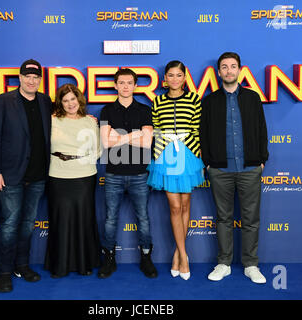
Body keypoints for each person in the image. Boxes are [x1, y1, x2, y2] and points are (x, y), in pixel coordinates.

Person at [200, 52, 269, 284]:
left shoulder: (252, 98)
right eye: (224, 67)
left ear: (240, 69)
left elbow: (262, 130)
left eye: (233, 66)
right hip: (220, 170)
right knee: (223, 219)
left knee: (251, 219)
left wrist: (261, 160)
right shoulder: (209, 101)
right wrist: (209, 163)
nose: (229, 71)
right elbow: (204, 135)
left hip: (250, 168)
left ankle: (251, 265)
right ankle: (224, 263)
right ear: (218, 72)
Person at [0, 59, 52, 293]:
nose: (32, 81)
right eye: (28, 76)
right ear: (20, 78)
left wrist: (88, 120)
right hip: (10, 174)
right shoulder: (2, 102)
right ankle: (4, 272)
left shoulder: (45, 101)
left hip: (38, 175)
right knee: (9, 225)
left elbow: (63, 120)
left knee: (27, 225)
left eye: (36, 77)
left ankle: (21, 266)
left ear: (40, 80)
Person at [147, 61, 205, 280]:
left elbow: (197, 129)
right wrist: (162, 148)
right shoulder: (158, 101)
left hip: (188, 154)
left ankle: (178, 255)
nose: (174, 79)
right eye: (170, 75)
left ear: (184, 77)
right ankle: (183, 254)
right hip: (166, 155)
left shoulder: (194, 99)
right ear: (165, 78)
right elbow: (155, 129)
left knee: (185, 205)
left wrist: (195, 152)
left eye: (178, 75)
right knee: (174, 206)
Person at [98, 68, 157, 279]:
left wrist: (119, 136)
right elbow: (106, 143)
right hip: (113, 173)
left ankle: (146, 258)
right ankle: (109, 259)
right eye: (121, 82)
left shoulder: (144, 110)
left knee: (143, 218)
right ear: (115, 85)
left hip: (139, 173)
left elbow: (147, 142)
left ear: (135, 85)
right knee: (110, 219)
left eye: (129, 82)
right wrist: (135, 134)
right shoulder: (106, 111)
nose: (125, 86)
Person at [44, 83, 101, 278]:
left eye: (73, 99)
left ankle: (83, 264)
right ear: (60, 103)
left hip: (85, 176)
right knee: (60, 219)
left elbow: (98, 150)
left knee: (84, 219)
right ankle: (59, 265)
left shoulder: (90, 121)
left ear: (79, 100)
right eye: (65, 100)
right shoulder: (51, 121)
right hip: (58, 175)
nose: (70, 104)